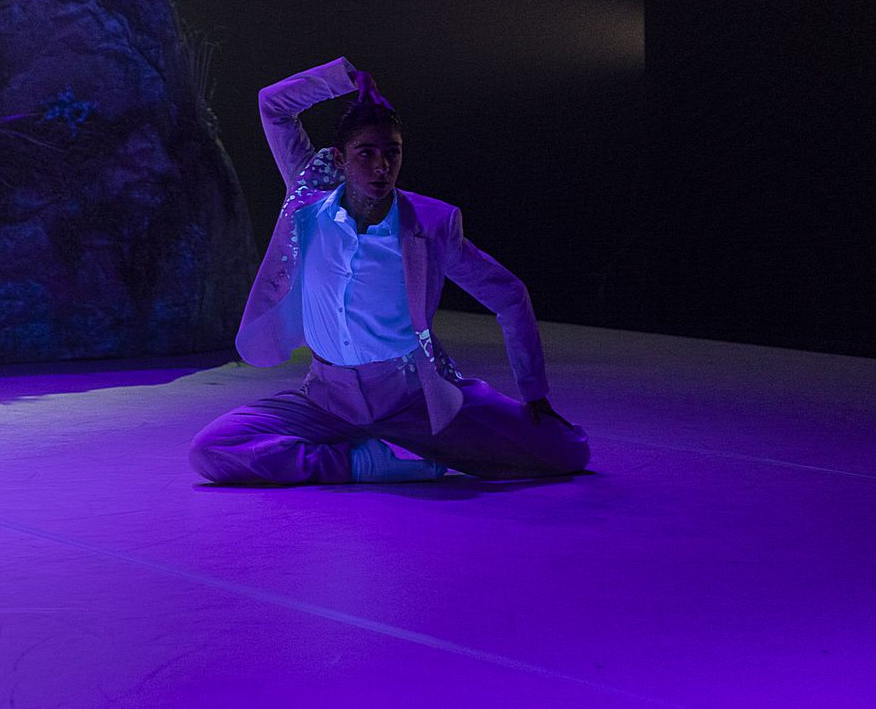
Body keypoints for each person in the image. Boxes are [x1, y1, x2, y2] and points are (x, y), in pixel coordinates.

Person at [188, 57, 590, 484]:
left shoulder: (430, 226)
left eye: (392, 153)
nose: (381, 166)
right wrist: (345, 79)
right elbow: (273, 106)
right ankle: (362, 463)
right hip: (326, 401)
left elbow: (509, 295)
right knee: (212, 450)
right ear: (340, 159)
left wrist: (534, 390)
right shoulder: (310, 200)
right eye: (366, 153)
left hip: (413, 400)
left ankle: (386, 448)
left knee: (567, 450)